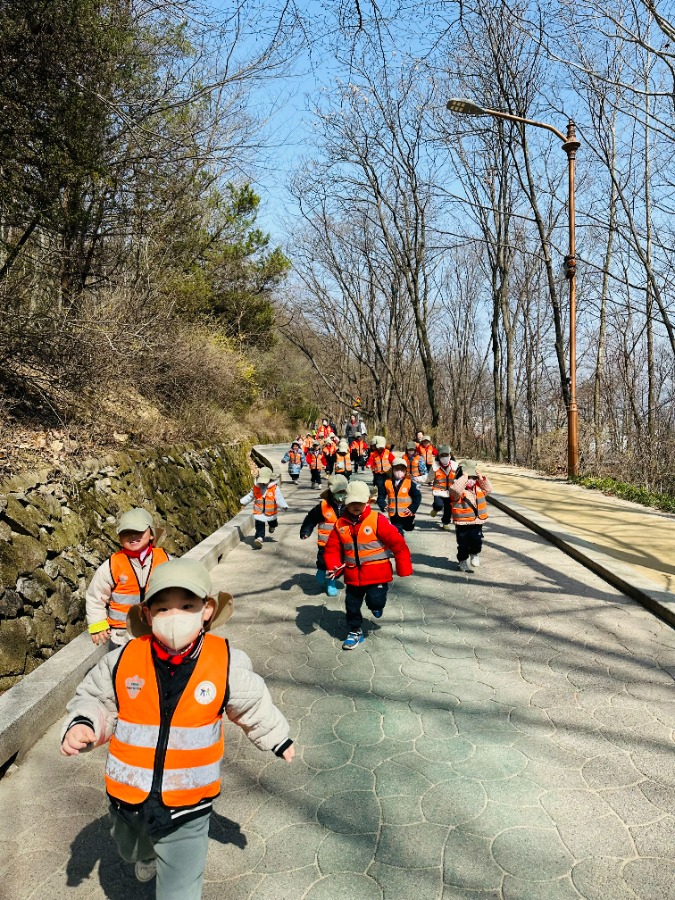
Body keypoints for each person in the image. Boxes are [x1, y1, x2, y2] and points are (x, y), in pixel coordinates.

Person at [60, 558, 294, 899]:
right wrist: (84, 724)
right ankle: (147, 853)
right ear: (148, 614)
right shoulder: (122, 659)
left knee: (181, 890)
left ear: (206, 610)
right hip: (128, 796)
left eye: (187, 606)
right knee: (131, 850)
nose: (175, 616)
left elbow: (253, 702)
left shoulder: (225, 661)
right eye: (164, 608)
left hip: (189, 804)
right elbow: (96, 700)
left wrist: (277, 737)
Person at [324, 480, 413, 650]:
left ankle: (377, 606)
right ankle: (355, 630)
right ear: (345, 503)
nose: (356, 506)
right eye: (352, 503)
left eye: (360, 502)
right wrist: (333, 565)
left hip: (377, 574)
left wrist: (403, 566)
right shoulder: (340, 525)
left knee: (375, 602)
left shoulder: (377, 520)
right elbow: (331, 549)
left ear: (368, 502)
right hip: (352, 576)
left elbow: (398, 544)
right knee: (351, 605)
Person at [86, 508, 170, 648]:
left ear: (151, 535)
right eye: (126, 533)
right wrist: (97, 625)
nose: (132, 536)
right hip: (122, 636)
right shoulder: (113, 565)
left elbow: (182, 588)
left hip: (159, 630)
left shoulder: (165, 560)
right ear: (120, 538)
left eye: (138, 531)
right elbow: (95, 595)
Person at [299, 474, 348, 597]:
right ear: (332, 492)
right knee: (322, 561)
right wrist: (306, 531)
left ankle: (331, 583)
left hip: (343, 544)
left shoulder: (350, 506)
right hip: (325, 543)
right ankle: (321, 570)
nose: (341, 495)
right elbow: (311, 519)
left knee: (338, 565)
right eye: (338, 492)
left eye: (344, 492)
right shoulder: (323, 507)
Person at [449, 462, 492, 571]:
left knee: (477, 540)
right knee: (463, 543)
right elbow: (455, 490)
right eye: (469, 478)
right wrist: (464, 477)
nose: (471, 480)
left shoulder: (478, 488)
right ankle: (462, 561)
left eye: (473, 478)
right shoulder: (457, 490)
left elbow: (488, 489)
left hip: (477, 521)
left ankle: (475, 554)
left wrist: (481, 477)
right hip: (462, 522)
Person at [240, 467, 288, 549]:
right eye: (261, 481)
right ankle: (259, 538)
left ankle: (273, 526)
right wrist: (243, 501)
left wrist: (284, 505)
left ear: (270, 479)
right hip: (258, 511)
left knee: (272, 522)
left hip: (271, 511)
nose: (263, 483)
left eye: (265, 482)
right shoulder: (256, 487)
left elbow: (279, 498)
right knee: (259, 524)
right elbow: (250, 496)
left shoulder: (274, 488)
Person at [384, 457, 422, 533]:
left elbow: (417, 497)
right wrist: (383, 504)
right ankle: (399, 543)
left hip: (407, 513)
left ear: (405, 471)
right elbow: (381, 496)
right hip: (394, 514)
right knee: (397, 532)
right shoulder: (387, 482)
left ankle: (411, 524)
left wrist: (412, 508)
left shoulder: (409, 482)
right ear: (392, 470)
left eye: (402, 469)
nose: (399, 471)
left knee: (408, 528)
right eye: (397, 469)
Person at [430, 445, 458, 530]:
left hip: (450, 492)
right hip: (438, 491)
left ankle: (445, 522)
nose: (444, 457)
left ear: (450, 455)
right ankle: (435, 509)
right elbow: (428, 478)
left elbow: (460, 478)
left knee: (448, 509)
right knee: (439, 505)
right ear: (439, 456)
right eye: (442, 455)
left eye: (446, 455)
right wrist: (417, 479)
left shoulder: (455, 466)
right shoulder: (435, 466)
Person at [365, 435, 395, 512]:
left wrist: (396, 466)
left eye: (382, 447)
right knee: (381, 489)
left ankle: (389, 503)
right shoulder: (373, 454)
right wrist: (368, 465)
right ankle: (382, 504)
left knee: (389, 488)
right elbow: (370, 461)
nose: (380, 449)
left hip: (388, 473)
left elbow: (393, 460)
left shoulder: (388, 453)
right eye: (379, 447)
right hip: (378, 474)